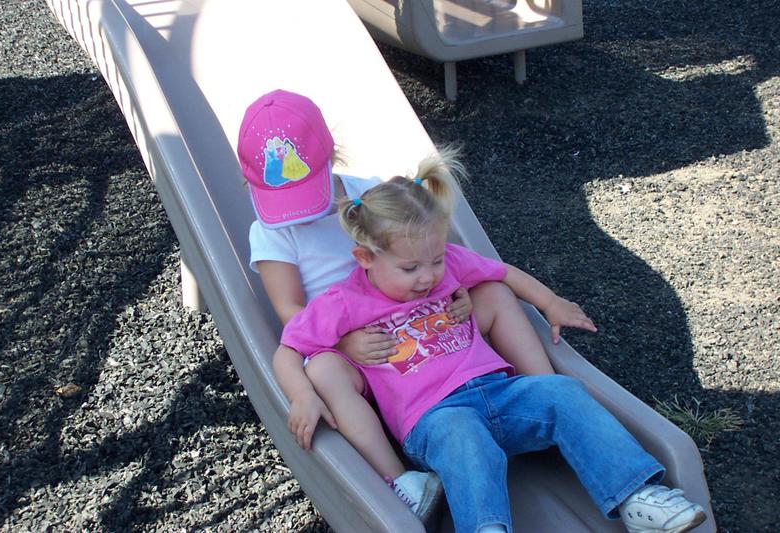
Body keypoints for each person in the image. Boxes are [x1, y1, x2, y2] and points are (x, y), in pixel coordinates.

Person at [277, 154, 708, 533]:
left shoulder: (448, 267)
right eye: (410, 268)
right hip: (435, 418)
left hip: (502, 394)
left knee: (563, 393)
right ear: (366, 258)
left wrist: (550, 302)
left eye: (435, 260)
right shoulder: (343, 303)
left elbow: (502, 274)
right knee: (464, 438)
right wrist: (302, 396)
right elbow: (288, 350)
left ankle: (637, 497)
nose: (427, 276)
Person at [238, 89, 595, 524]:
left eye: (305, 190)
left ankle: (540, 394)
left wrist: (453, 289)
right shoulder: (271, 231)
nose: (297, 209)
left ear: (330, 156)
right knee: (324, 372)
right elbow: (290, 310)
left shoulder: (368, 194)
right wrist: (345, 344)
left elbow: (427, 252)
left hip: (416, 315)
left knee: (494, 293)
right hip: (348, 337)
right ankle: (402, 480)